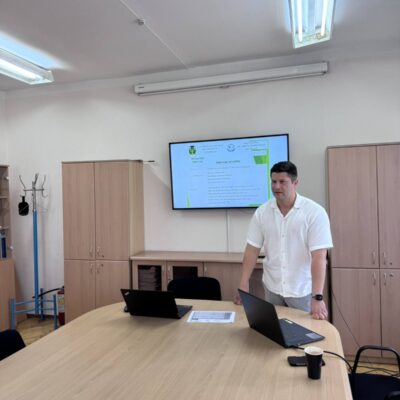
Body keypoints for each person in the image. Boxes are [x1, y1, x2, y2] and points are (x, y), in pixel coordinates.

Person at [234, 161, 333, 320]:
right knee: (274, 331)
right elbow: (252, 250)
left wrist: (317, 296)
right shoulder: (262, 212)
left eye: (282, 182)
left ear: (295, 183)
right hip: (272, 288)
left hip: (301, 291)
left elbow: (319, 257)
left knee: (304, 332)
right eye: (273, 182)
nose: (277, 187)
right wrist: (243, 283)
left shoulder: (314, 213)